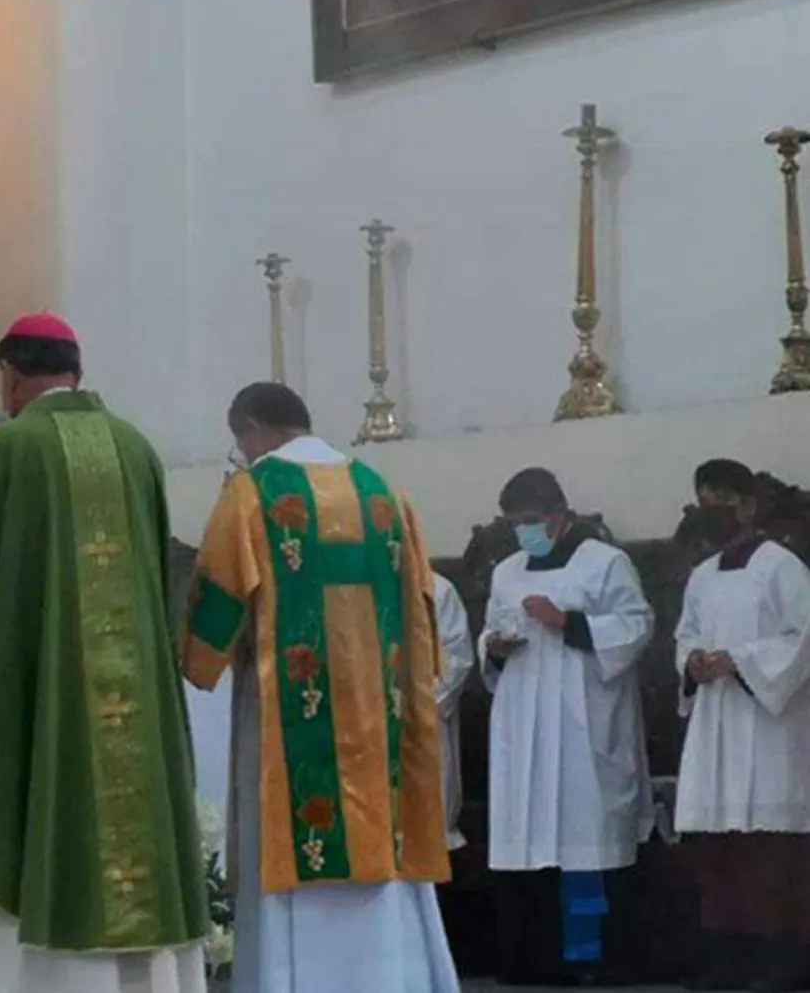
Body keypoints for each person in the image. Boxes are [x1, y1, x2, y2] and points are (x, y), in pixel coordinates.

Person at [0, 312, 211, 993]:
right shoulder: (136, 449)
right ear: (75, 369)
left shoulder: (5, 452)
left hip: (40, 705)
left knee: (37, 801)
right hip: (134, 703)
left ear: (12, 376)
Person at [181, 382, 460, 993]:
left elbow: (217, 604)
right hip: (382, 724)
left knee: (294, 840)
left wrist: (195, 659)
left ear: (249, 430)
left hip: (290, 724)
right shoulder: (383, 494)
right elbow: (422, 610)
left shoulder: (253, 494)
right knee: (382, 858)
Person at [480, 467, 654, 987]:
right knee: (526, 833)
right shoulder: (507, 571)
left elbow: (637, 625)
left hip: (583, 719)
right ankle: (532, 957)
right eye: (515, 523)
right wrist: (495, 645)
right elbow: (490, 628)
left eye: (532, 520)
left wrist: (569, 621)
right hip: (523, 715)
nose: (523, 532)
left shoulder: (605, 563)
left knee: (586, 831)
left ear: (560, 513)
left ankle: (599, 959)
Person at [673, 459, 810, 992]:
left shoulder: (783, 567)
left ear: (750, 506)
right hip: (715, 722)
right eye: (705, 500)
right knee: (718, 843)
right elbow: (684, 635)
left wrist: (743, 661)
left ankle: (779, 960)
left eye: (723, 500)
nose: (713, 511)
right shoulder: (702, 576)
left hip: (768, 725)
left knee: (768, 851)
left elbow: (803, 638)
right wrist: (693, 662)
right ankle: (725, 957)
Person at [433, 572, 474, 852]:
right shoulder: (341, 584)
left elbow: (456, 656)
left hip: (419, 716)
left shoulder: (436, 589)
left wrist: (415, 698)